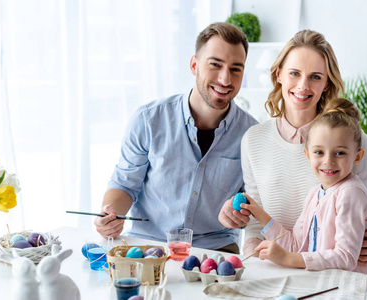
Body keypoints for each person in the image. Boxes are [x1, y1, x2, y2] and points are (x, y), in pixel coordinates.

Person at [218, 29, 367, 263]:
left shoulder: (353, 141)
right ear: (279, 74)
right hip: (272, 267)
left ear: (326, 83)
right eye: (294, 73)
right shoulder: (254, 139)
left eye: (315, 77)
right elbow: (253, 225)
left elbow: (359, 221)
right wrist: (253, 259)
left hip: (330, 274)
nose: (303, 85)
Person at [94, 22, 258, 253]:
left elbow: (253, 198)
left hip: (216, 246)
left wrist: (241, 213)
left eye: (235, 69)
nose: (225, 79)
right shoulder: (148, 120)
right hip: (149, 242)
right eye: (215, 65)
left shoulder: (252, 135)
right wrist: (109, 214)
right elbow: (124, 184)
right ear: (194, 65)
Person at [242, 98, 367, 276]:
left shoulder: (351, 193)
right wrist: (260, 215)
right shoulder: (316, 193)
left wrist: (287, 258)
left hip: (349, 287)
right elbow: (297, 246)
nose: (328, 161)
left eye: (340, 153)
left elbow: (346, 257)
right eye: (319, 152)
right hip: (321, 282)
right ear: (307, 154)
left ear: (357, 156)